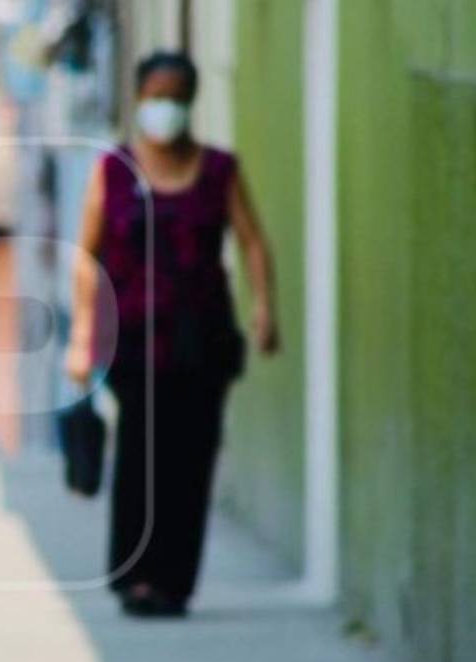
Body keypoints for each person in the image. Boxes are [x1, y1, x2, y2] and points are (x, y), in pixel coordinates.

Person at [64, 51, 280, 617]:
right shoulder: (113, 171)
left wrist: (264, 310)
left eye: (178, 95)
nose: (168, 107)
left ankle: (174, 582)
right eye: (158, 95)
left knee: (192, 457)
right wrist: (82, 334)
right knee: (140, 455)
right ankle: (136, 577)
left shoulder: (219, 172)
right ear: (139, 99)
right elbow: (87, 255)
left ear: (192, 100)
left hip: (201, 339)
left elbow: (253, 241)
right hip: (134, 339)